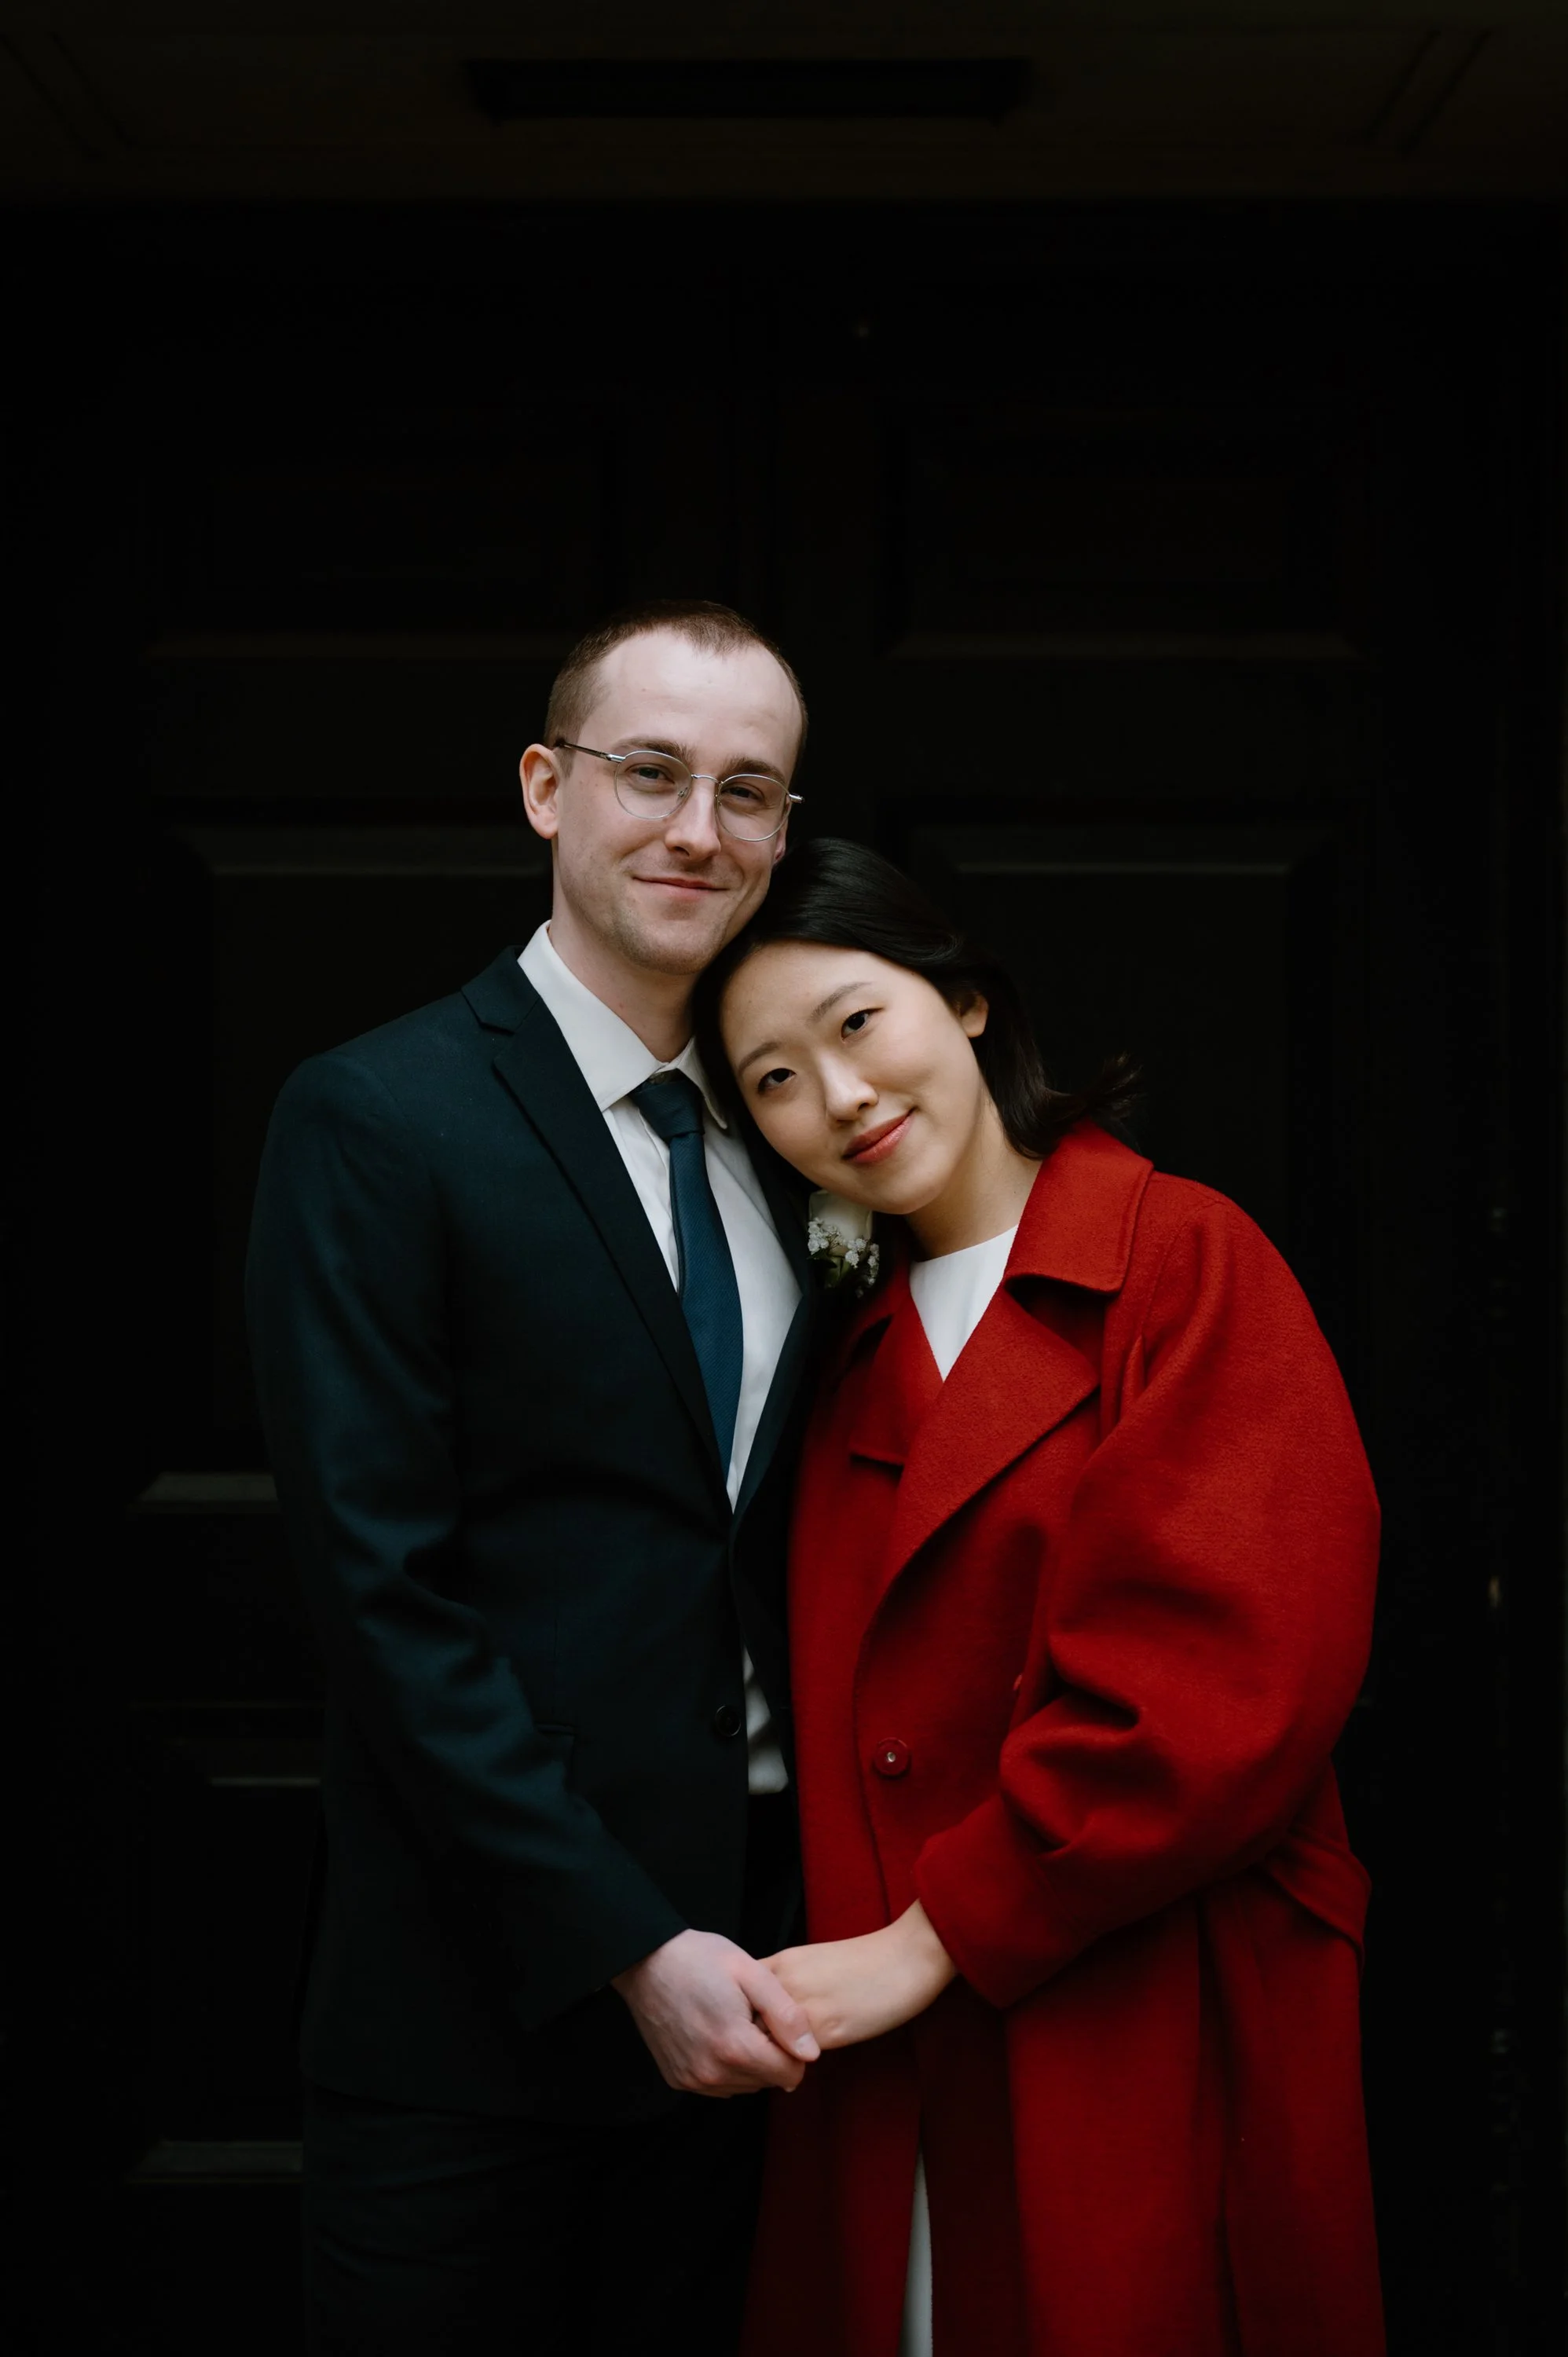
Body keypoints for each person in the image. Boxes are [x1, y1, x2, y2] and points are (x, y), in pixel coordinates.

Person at [695, 838, 1386, 2357]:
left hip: (1142, 1999)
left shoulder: (1178, 1260)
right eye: (775, 1079)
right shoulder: (837, 1356)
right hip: (885, 2052)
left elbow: (1220, 1686)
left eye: (859, 1022)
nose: (842, 1097)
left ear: (968, 1001)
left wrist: (929, 1939)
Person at [246, 601, 824, 2356]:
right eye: (649, 772)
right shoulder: (378, 1116)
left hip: (761, 1993)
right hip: (473, 2019)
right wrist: (629, 1945)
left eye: (747, 790)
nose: (697, 830)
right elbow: (383, 1596)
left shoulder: (799, 1127)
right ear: (543, 788)